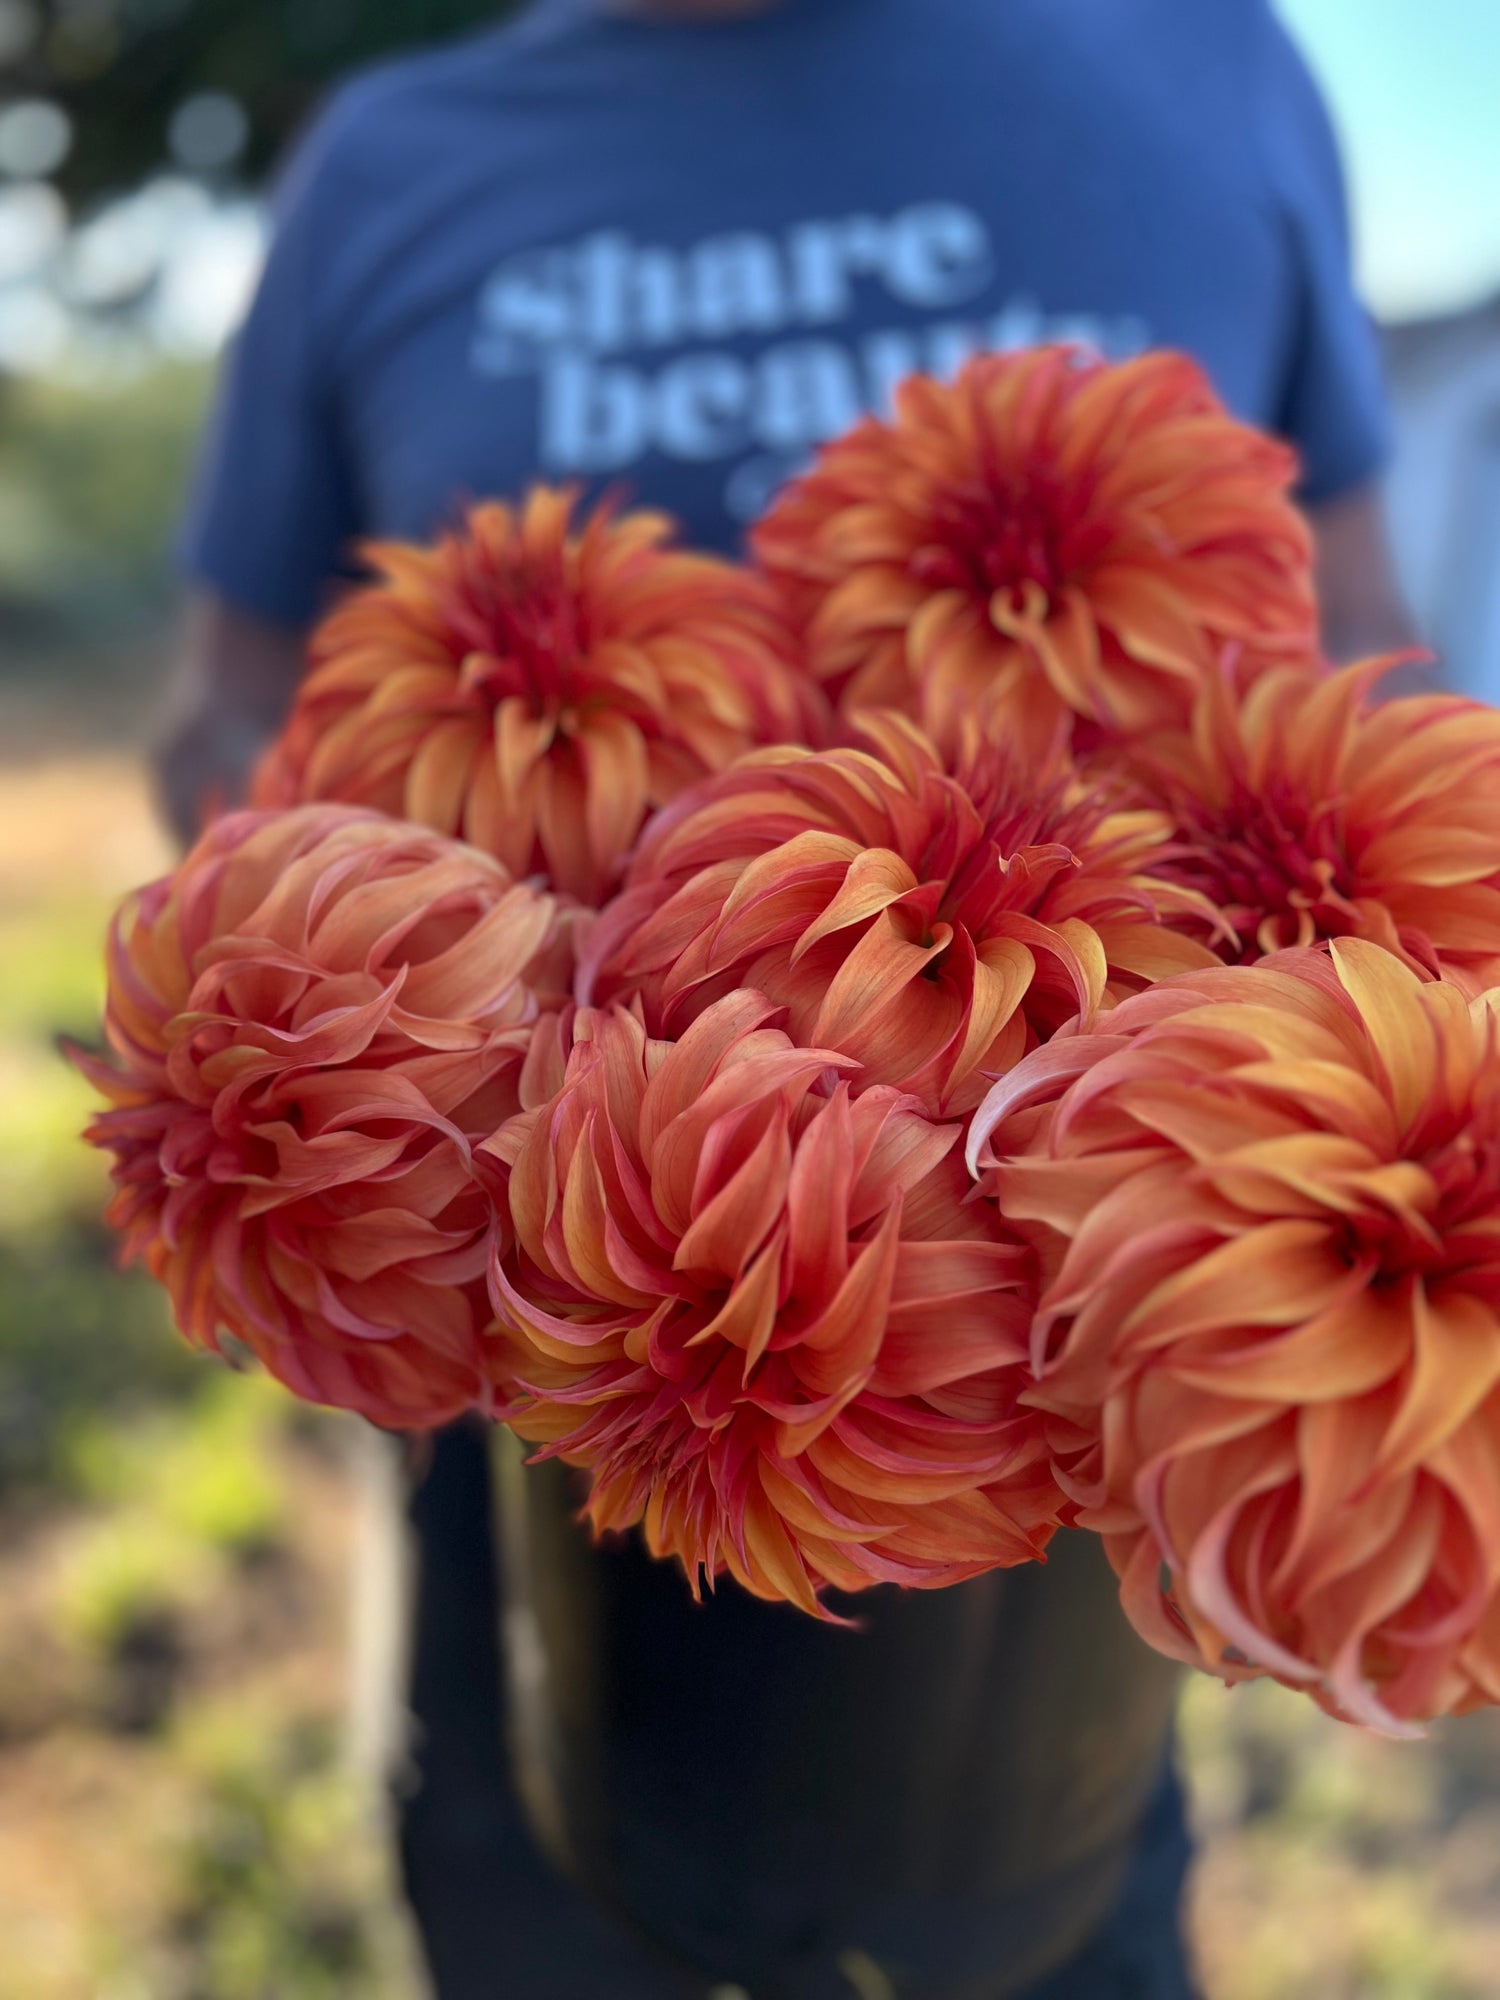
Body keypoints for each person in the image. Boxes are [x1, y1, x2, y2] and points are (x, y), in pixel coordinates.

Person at [161, 4, 1415, 1994]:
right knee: (540, 1897)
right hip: (566, 1439)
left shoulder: (1208, 62)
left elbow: (1370, 650)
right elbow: (230, 689)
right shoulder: (389, 164)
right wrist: (295, 926)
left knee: (1047, 1926)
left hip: (1033, 1603)